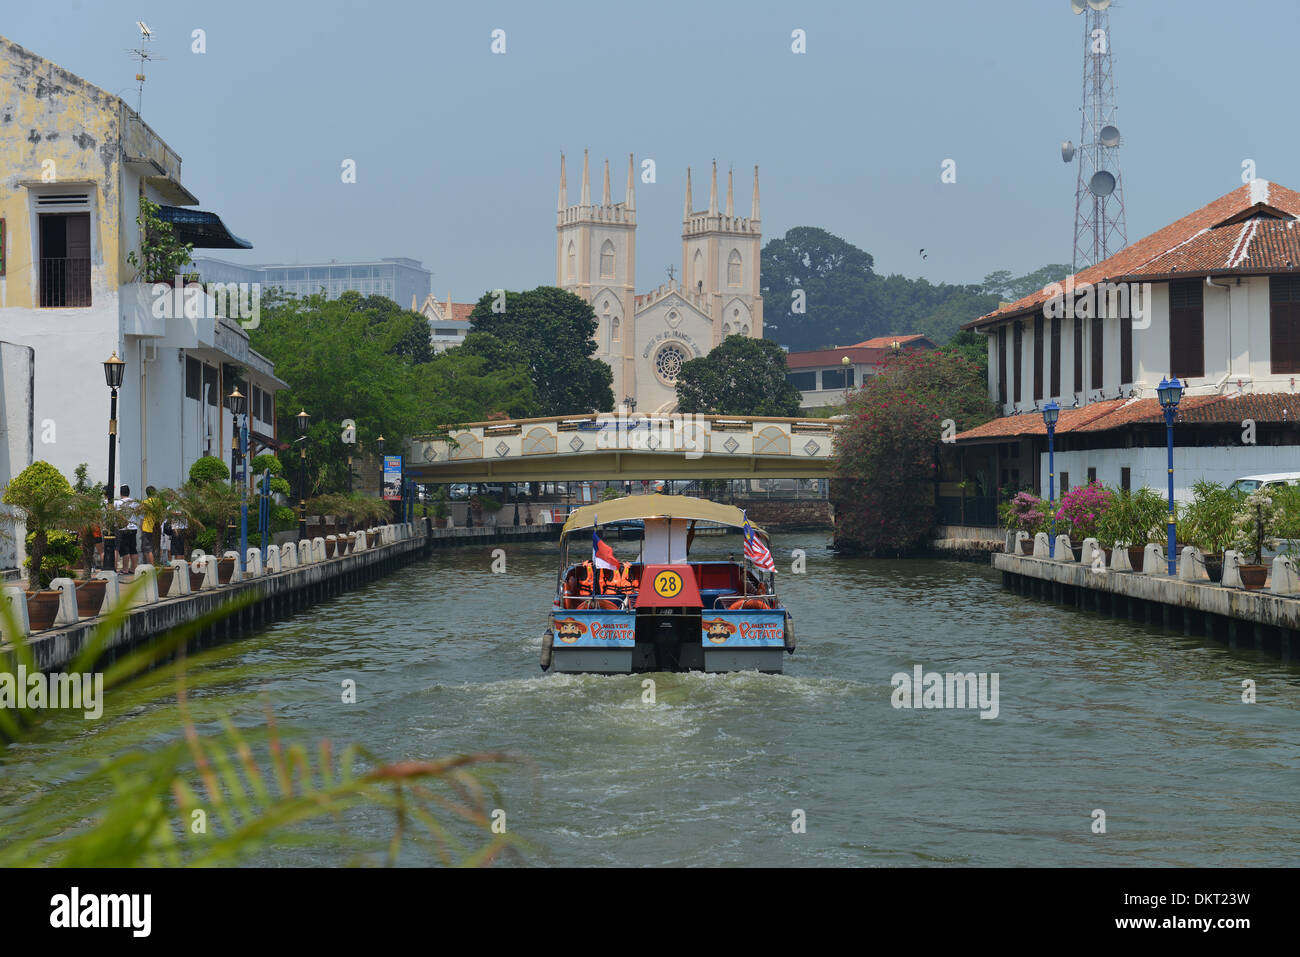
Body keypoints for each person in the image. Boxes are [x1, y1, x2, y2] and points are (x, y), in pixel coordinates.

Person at [114, 485, 140, 575]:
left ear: (121, 492)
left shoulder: (118, 502)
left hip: (123, 528)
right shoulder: (134, 502)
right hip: (133, 527)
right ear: (129, 492)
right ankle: (133, 568)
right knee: (133, 548)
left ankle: (125, 569)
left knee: (124, 549)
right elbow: (138, 512)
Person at [140, 485, 157, 566]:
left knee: (147, 549)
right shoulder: (159, 501)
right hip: (156, 527)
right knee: (152, 548)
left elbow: (141, 515)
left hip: (147, 527)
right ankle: (152, 565)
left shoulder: (145, 502)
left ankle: (150, 565)